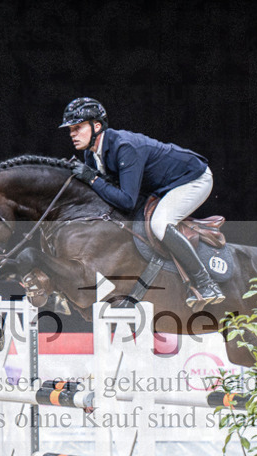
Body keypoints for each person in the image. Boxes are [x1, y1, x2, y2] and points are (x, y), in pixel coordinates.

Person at [60, 97, 224, 310]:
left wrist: (92, 179)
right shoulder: (91, 155)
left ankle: (206, 283)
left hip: (193, 179)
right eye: (71, 129)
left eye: (78, 127)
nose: (72, 134)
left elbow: (126, 200)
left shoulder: (124, 147)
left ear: (97, 126)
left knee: (160, 224)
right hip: (162, 187)